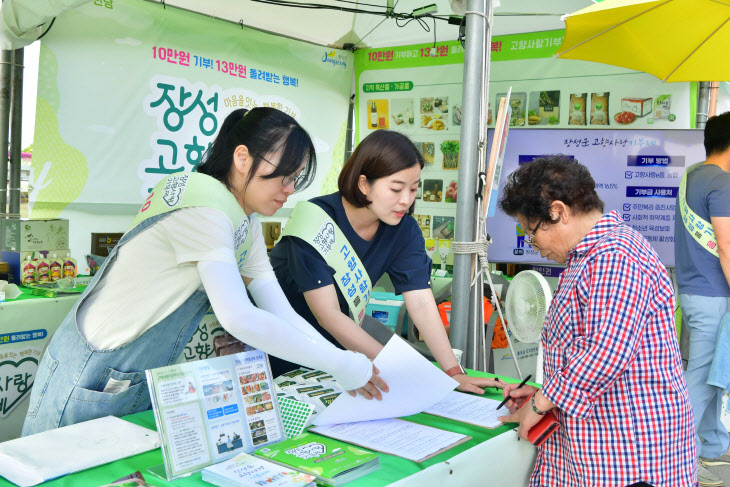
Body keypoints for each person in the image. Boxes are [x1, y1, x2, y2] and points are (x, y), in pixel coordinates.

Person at [22, 107, 385, 436]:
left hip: (131, 372)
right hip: (93, 369)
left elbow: (282, 312)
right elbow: (239, 317)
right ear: (242, 158)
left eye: (296, 179)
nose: (289, 190)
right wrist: (340, 362)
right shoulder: (204, 206)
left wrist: (341, 365)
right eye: (284, 177)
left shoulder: (243, 222)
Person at [495, 156, 696, 487]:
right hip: (601, 443)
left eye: (530, 233)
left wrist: (541, 402)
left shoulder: (615, 257)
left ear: (558, 212)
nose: (534, 246)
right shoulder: (589, 256)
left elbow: (603, 352)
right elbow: (583, 349)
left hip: (631, 454)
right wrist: (546, 392)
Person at [269, 129, 495, 395]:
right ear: (364, 184)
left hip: (344, 353)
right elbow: (328, 315)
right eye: (396, 189)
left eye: (413, 189)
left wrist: (453, 373)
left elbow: (421, 302)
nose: (406, 200)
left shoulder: (402, 228)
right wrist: (405, 370)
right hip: (282, 349)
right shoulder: (316, 221)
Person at [675, 112, 730, 486]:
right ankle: (673, 451)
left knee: (709, 371)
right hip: (714, 293)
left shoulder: (692, 176)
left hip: (693, 291)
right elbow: (726, 246)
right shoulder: (722, 182)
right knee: (706, 378)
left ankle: (711, 445)